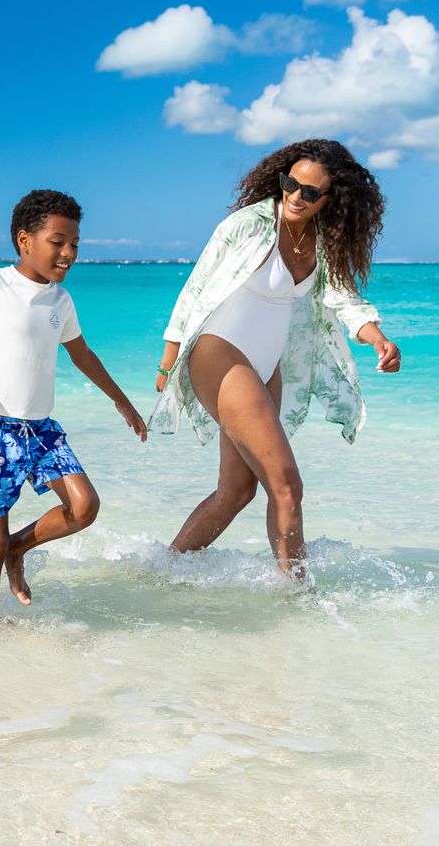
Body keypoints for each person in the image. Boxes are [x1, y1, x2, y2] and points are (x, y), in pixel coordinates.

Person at [150, 139, 401, 580]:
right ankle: (297, 598)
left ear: (330, 200)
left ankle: (161, 571)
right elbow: (195, 286)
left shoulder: (324, 243)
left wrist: (378, 339)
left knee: (237, 490)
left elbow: (344, 300)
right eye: (290, 184)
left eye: (310, 192)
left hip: (266, 368)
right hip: (219, 352)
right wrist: (167, 363)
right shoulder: (249, 224)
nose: (295, 197)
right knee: (287, 485)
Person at [0, 190, 146, 619]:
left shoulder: (61, 301)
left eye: (74, 245)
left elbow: (82, 355)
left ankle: (18, 548)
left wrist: (123, 403)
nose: (68, 253)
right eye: (58, 241)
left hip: (39, 429)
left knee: (84, 506)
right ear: (24, 240)